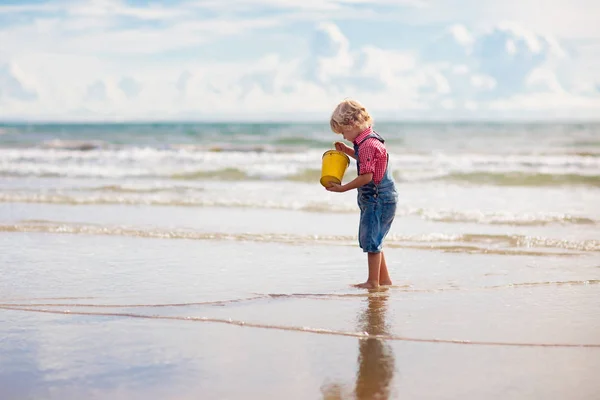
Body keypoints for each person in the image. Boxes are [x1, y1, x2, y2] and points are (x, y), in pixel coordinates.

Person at [325, 99, 398, 289]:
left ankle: (373, 282)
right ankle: (384, 280)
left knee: (372, 240)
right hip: (384, 196)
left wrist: (342, 188)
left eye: (344, 132)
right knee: (377, 238)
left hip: (376, 197)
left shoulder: (367, 145)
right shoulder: (371, 138)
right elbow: (368, 161)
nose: (344, 136)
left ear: (353, 124)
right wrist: (348, 151)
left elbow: (366, 176)